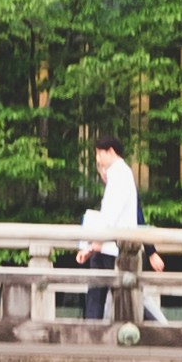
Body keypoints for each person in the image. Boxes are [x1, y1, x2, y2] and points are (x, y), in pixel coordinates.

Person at [73, 136, 141, 327]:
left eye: (99, 153)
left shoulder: (120, 174)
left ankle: (93, 332)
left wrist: (93, 245)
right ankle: (95, 331)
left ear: (110, 151)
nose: (97, 159)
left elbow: (111, 215)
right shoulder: (119, 174)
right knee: (103, 293)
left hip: (111, 246)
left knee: (107, 293)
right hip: (107, 245)